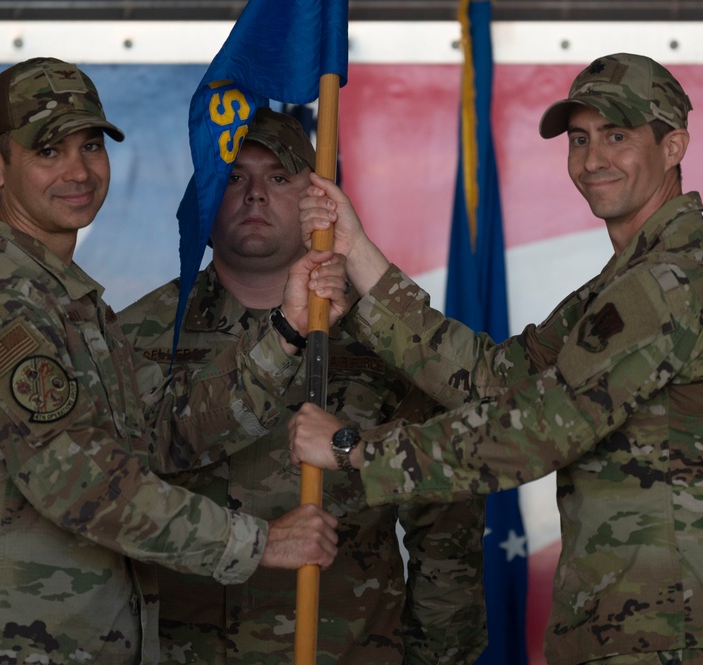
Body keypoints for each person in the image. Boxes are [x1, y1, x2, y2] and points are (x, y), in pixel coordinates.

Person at [289, 53, 703, 665]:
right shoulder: (629, 281)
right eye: (580, 139)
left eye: (618, 136)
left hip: (677, 632)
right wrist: (357, 253)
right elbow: (494, 381)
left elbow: (536, 431)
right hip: (636, 627)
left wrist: (353, 449)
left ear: (674, 145)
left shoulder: (671, 282)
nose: (594, 158)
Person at [0, 57, 346, 665]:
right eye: (48, 151)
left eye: (90, 146)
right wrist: (260, 541)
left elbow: (163, 438)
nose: (78, 171)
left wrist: (287, 330)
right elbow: (87, 485)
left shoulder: (66, 302)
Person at [119, 107, 487, 664]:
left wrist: (436, 657)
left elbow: (446, 527)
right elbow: (107, 497)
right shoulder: (138, 336)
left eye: (281, 177)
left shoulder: (388, 340)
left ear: (316, 200)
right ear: (206, 196)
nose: (256, 194)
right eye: (235, 176)